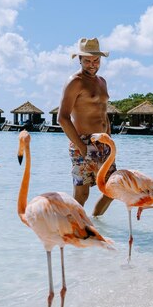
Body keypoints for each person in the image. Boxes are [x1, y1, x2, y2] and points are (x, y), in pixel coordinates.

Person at [58, 37, 116, 216]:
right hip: (82, 141)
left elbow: (103, 113)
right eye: (88, 60)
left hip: (104, 143)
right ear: (80, 60)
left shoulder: (102, 82)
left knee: (112, 188)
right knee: (82, 195)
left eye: (96, 60)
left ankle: (94, 223)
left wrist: (109, 140)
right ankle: (72, 229)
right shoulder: (75, 82)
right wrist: (81, 146)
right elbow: (63, 118)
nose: (92, 64)